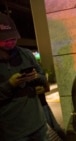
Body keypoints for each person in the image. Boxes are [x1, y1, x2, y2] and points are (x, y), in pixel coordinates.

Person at [0, 13, 48, 141]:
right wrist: (9, 85)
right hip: (13, 132)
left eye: (13, 38)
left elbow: (44, 79)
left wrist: (36, 77)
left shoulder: (26, 54)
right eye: (5, 39)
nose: (10, 42)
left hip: (38, 124)